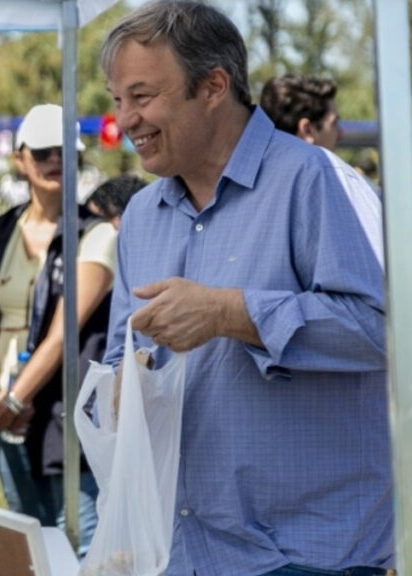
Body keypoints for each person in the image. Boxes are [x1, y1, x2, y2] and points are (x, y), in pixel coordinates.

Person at [100, 2, 391, 575]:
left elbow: (385, 331)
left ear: (213, 87)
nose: (126, 120)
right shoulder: (140, 215)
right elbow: (119, 352)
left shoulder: (318, 180)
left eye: (142, 96)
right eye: (117, 100)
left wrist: (232, 313)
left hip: (307, 555)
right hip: (180, 549)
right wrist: (119, 387)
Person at [0, 103, 109, 555]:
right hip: (4, 410)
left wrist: (13, 399)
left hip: (63, 413)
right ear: (20, 158)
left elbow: (66, 332)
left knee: (81, 547)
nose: (55, 160)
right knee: (28, 545)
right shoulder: (1, 230)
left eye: (68, 152)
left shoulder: (96, 233)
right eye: (44, 150)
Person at [260, 74, 384, 266]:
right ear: (307, 129)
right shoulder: (342, 186)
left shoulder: (247, 193)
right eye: (334, 123)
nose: (341, 134)